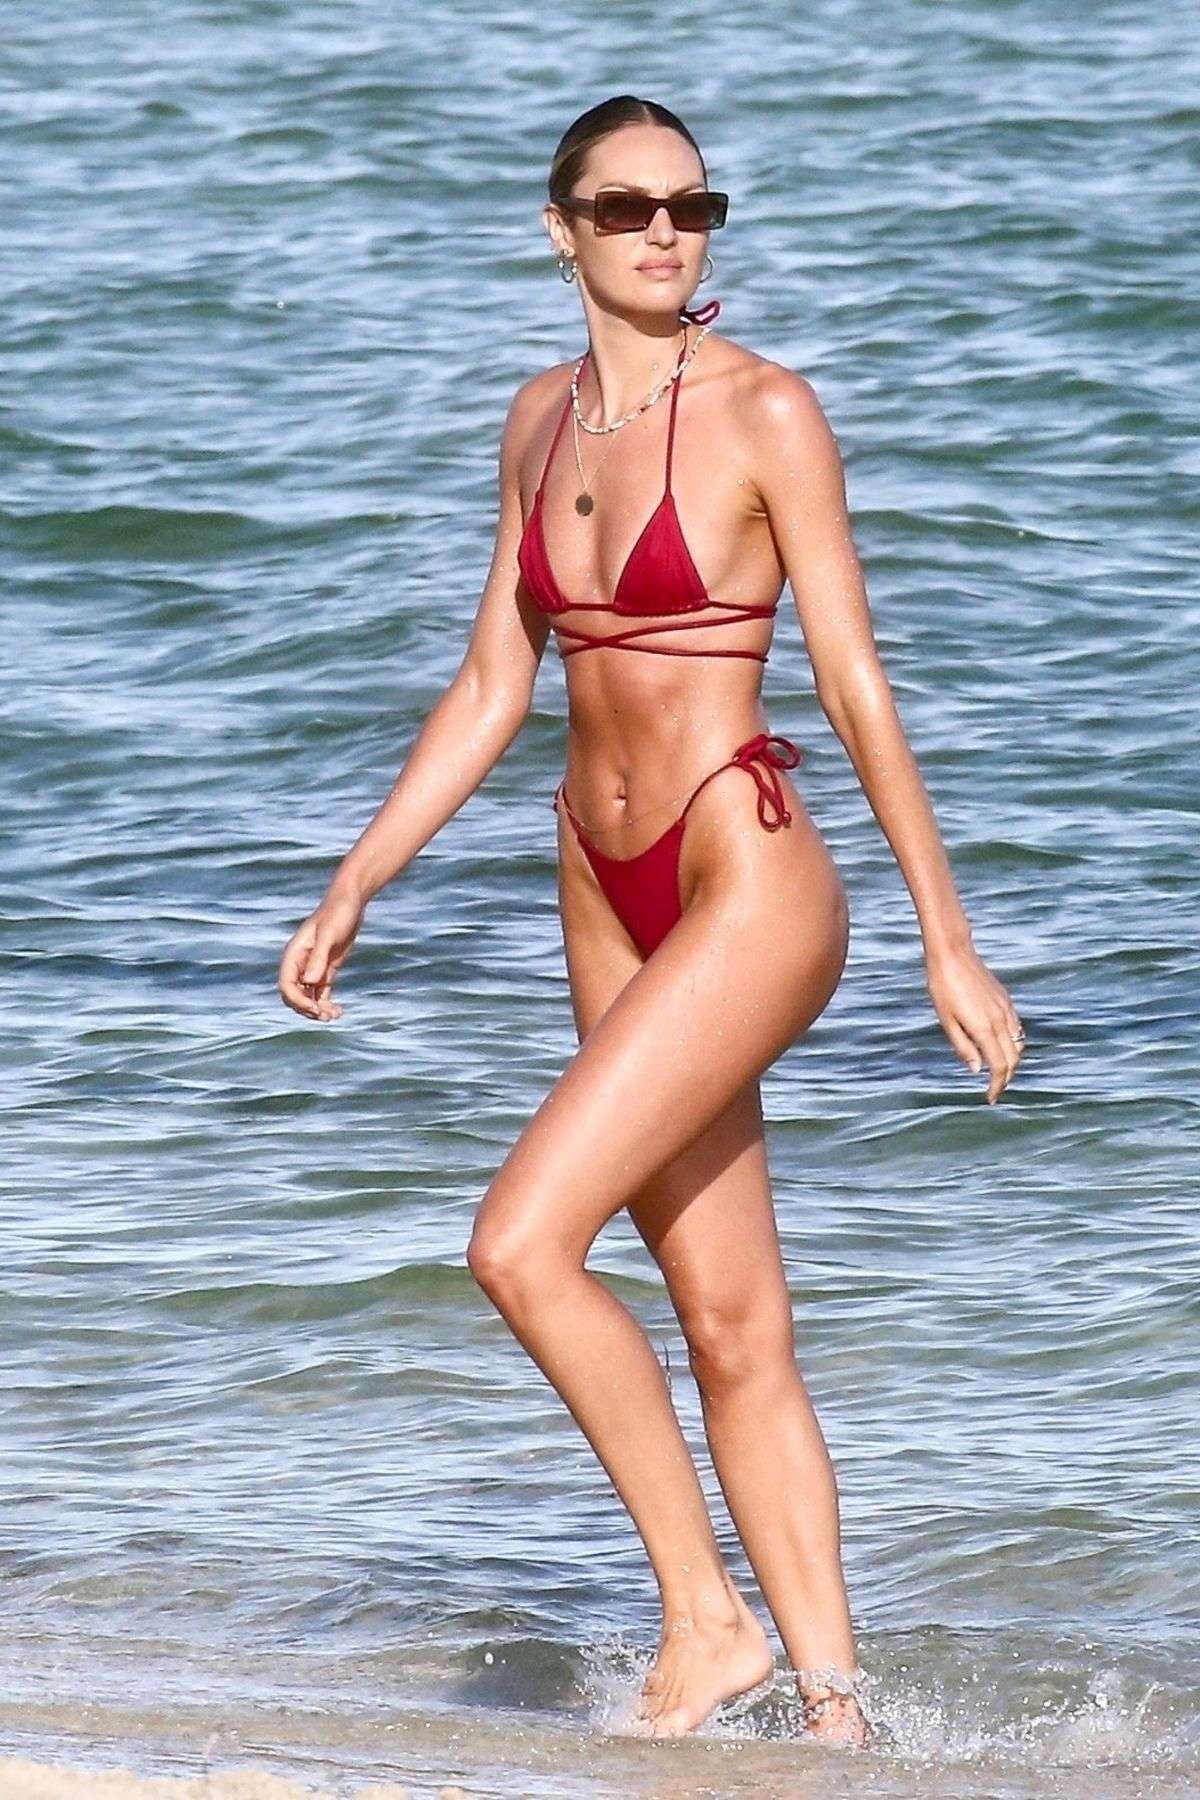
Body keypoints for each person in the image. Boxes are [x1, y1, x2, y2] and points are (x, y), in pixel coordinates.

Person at [278, 94, 1026, 1752]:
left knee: (520, 1243)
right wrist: (358, 877)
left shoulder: (766, 410)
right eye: (625, 208)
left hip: (739, 872)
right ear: (561, 230)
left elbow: (854, 683)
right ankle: (840, 1725)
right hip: (598, 885)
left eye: (692, 205)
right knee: (730, 1321)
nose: (664, 231)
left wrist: (945, 934)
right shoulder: (537, 422)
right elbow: (494, 683)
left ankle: (706, 1620)